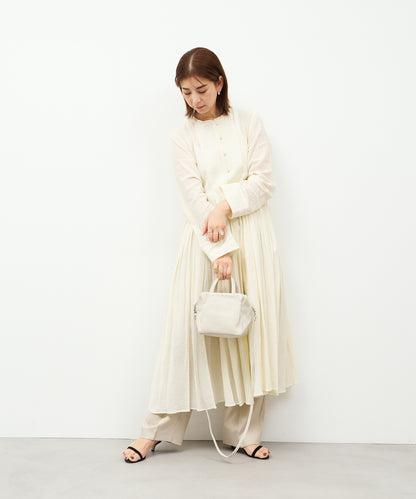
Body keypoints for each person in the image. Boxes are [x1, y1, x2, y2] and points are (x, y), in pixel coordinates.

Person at [123, 47, 299, 463]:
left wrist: (224, 206)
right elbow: (192, 198)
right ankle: (155, 430)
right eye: (186, 92)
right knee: (185, 338)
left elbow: (264, 182)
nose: (195, 99)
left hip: (253, 238)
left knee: (247, 334)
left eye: (201, 89)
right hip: (204, 240)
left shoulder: (249, 123)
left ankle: (244, 433)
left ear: (220, 82)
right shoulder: (181, 137)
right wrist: (219, 248)